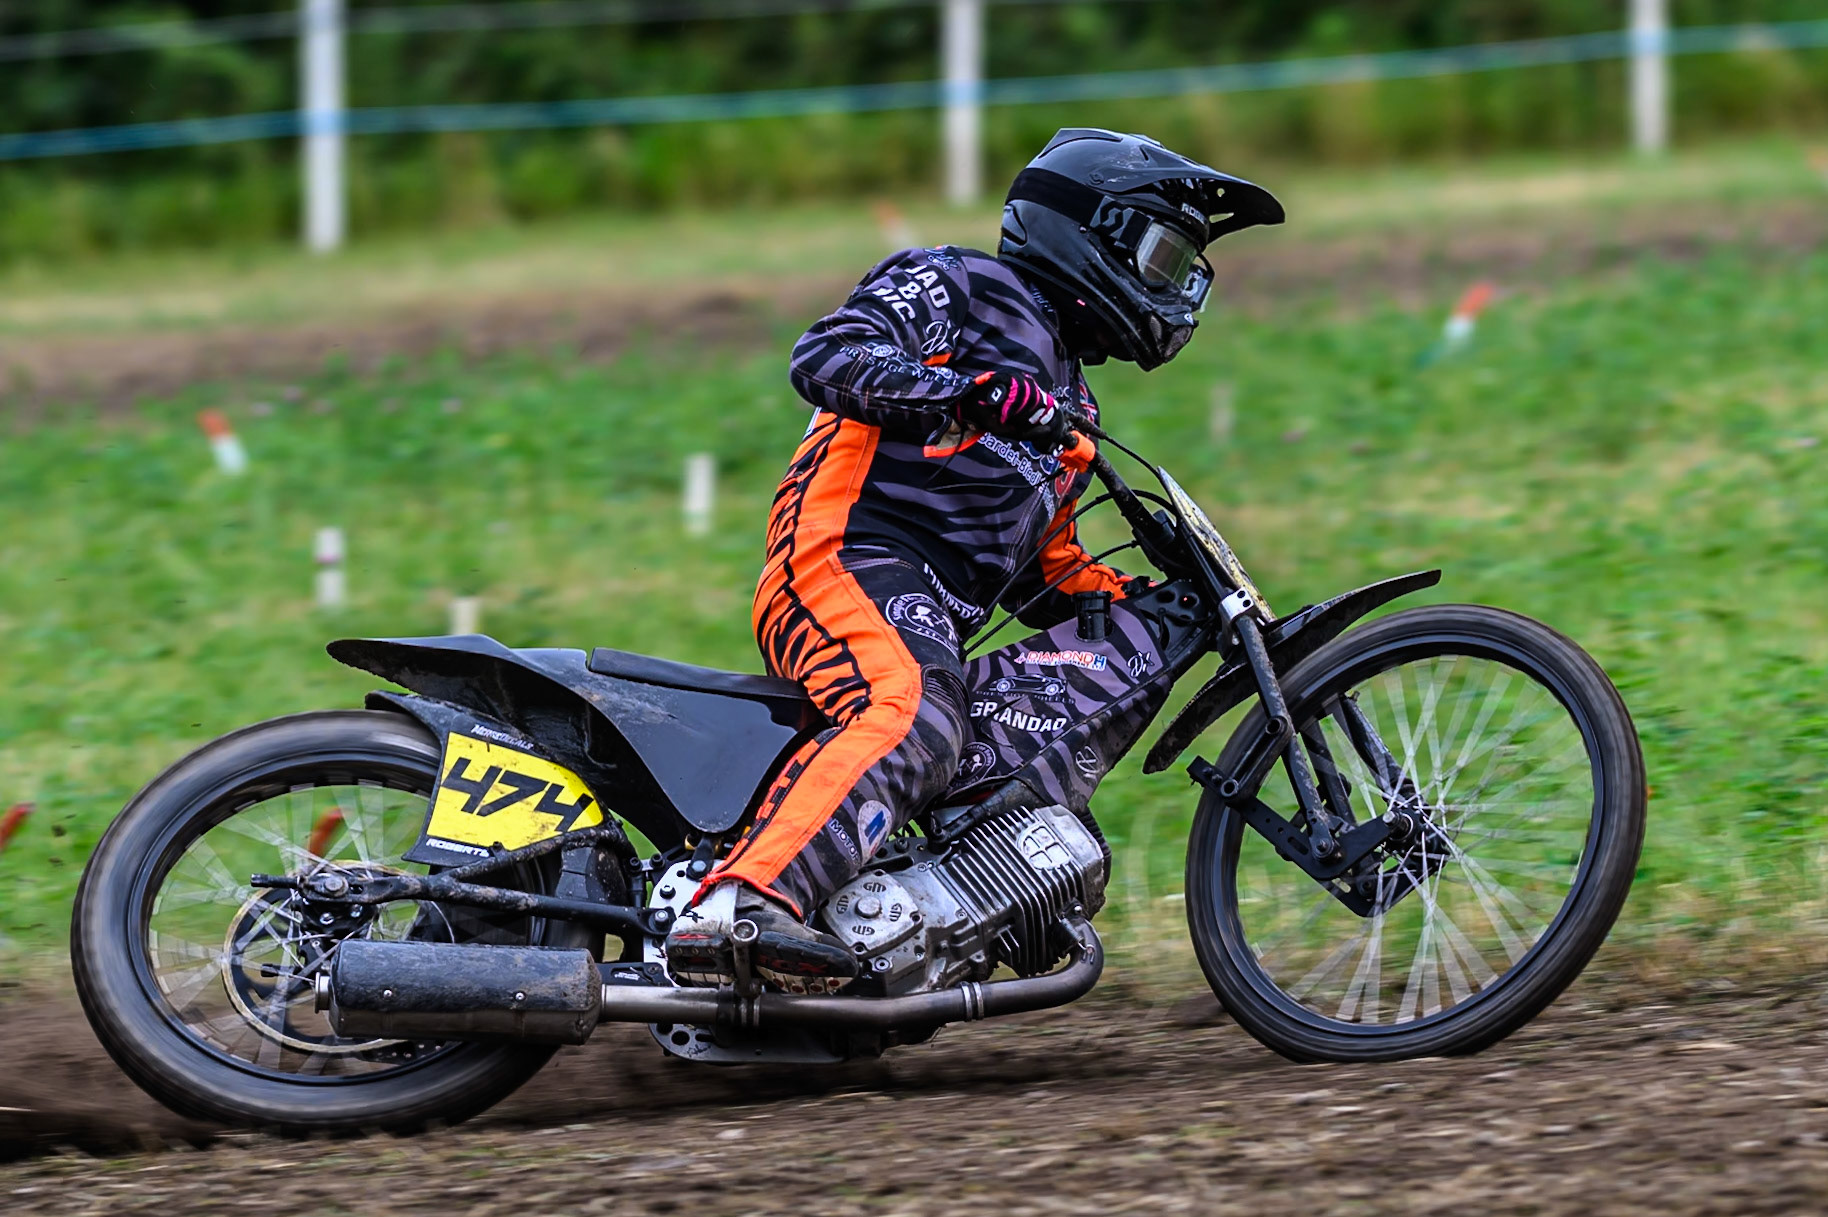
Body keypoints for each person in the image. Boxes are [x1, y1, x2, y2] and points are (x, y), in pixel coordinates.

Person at [666, 128, 1283, 992]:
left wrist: (1160, 601)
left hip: (927, 614)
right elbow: (829, 354)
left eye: (1188, 270)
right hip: (842, 557)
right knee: (914, 708)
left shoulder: (1071, 405)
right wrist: (968, 392)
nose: (1174, 286)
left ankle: (915, 915)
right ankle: (737, 906)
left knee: (994, 739)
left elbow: (1044, 572)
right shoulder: (957, 284)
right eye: (1163, 256)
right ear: (1091, 230)